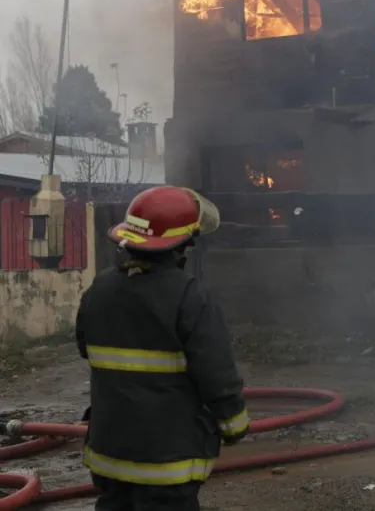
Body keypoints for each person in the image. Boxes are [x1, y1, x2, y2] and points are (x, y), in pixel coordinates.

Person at [75, 186, 248, 511]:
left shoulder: (99, 289)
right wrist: (234, 424)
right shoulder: (189, 296)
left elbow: (86, 348)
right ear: (181, 246)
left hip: (110, 454)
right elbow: (215, 372)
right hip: (167, 462)